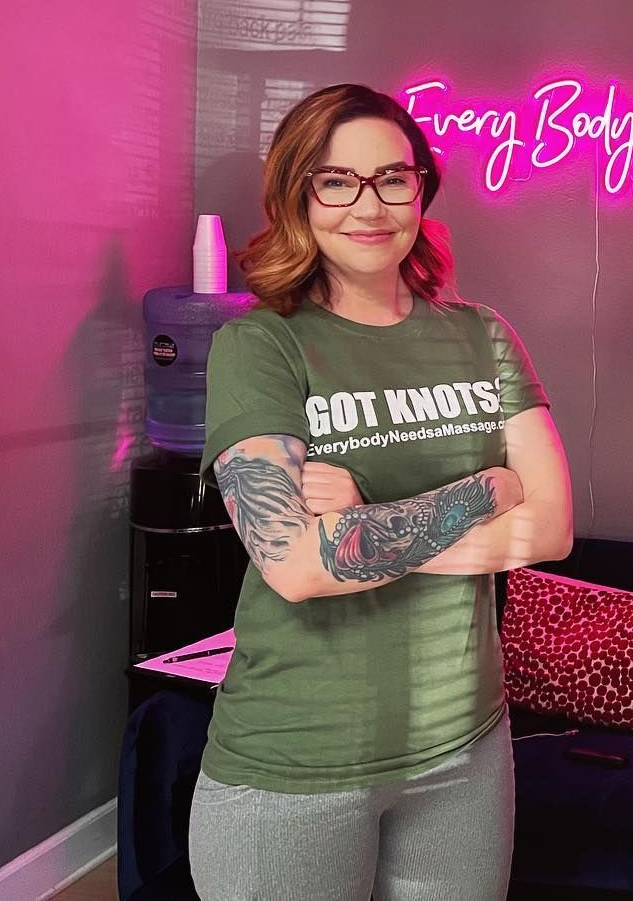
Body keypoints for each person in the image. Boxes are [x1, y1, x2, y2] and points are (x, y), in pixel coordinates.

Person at [188, 83, 572, 901]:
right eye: (336, 180)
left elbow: (555, 526)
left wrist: (362, 529)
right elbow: (293, 564)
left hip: (465, 749)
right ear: (298, 194)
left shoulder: (483, 336)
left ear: (421, 188)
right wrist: (490, 485)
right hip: (296, 764)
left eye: (392, 178)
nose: (369, 204)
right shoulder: (258, 346)